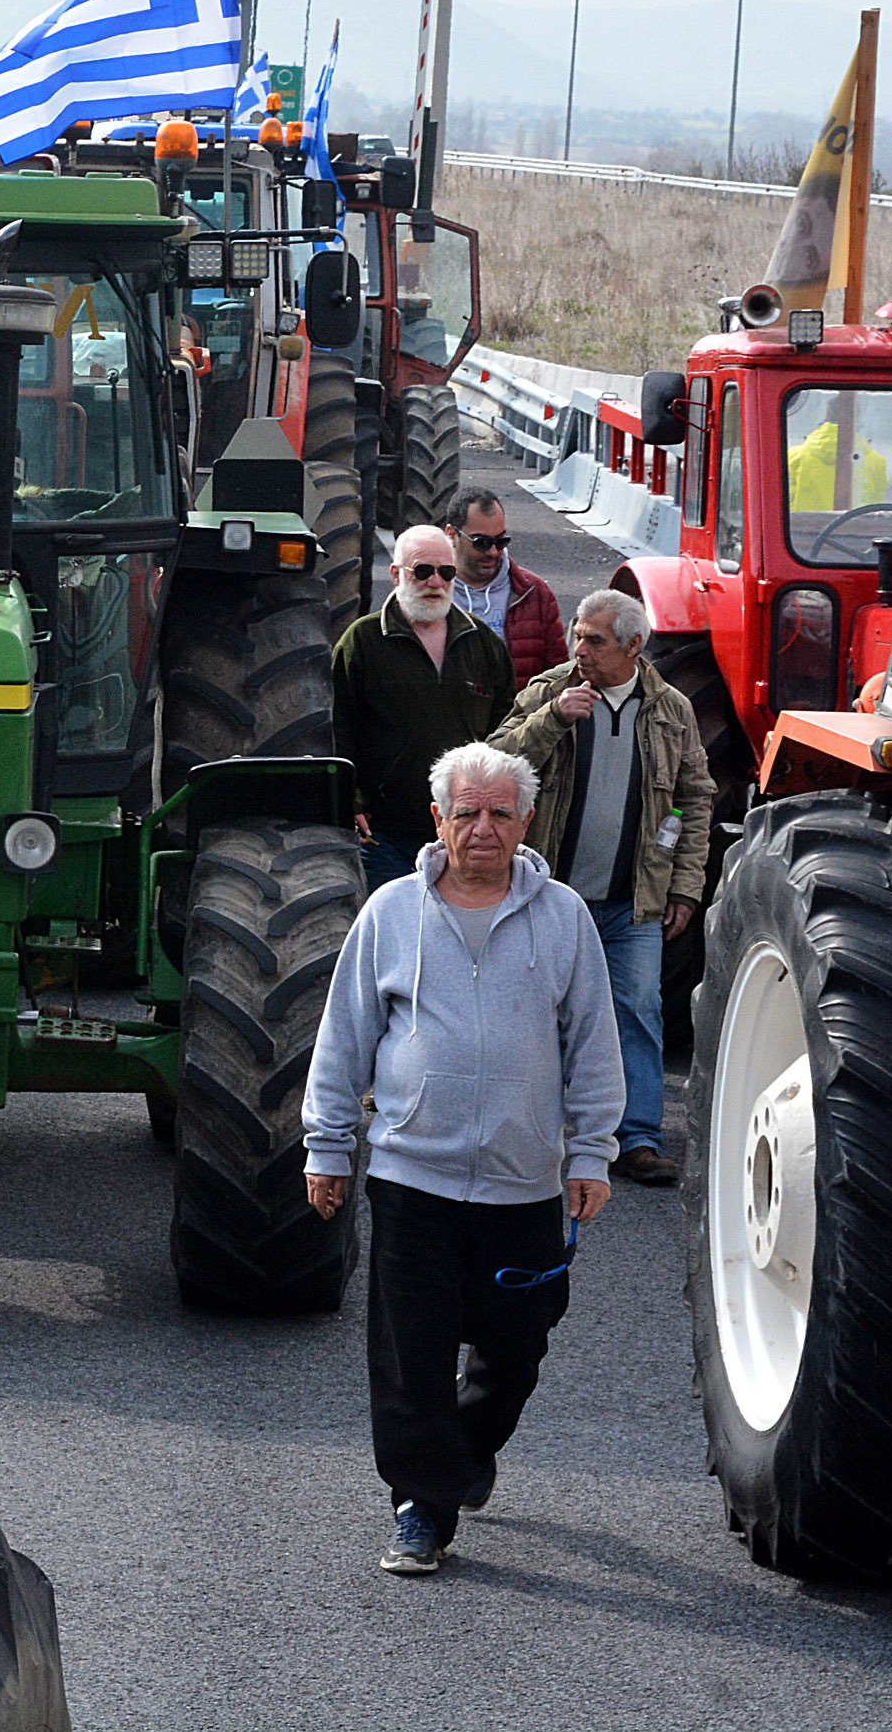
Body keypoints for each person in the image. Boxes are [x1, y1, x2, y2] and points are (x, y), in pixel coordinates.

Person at [304, 740, 620, 1577]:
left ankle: (465, 1448)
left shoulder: (563, 919)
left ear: (523, 822)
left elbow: (591, 1044)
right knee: (412, 1348)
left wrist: (591, 1151)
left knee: (518, 1342)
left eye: (499, 813)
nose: (481, 830)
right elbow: (343, 1040)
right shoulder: (389, 914)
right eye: (465, 813)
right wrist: (327, 1146)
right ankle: (421, 1505)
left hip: (525, 1182)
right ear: (437, 820)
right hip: (413, 1173)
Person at [488, 587, 716, 1185]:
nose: (579, 649)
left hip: (632, 903)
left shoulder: (672, 710)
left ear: (634, 646)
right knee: (529, 1011)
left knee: (637, 1012)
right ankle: (518, 1129)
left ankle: (636, 1138)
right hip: (548, 896)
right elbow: (491, 764)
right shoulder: (549, 691)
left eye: (594, 640)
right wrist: (552, 721)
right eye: (576, 636)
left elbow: (693, 800)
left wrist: (684, 885)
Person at [331, 526, 517, 894]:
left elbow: (506, 733)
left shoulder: (483, 645)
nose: (435, 581)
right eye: (422, 571)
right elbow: (337, 730)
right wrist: (348, 802)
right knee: (396, 939)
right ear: (396, 574)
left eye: (445, 572)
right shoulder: (362, 642)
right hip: (384, 835)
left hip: (462, 835)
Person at [446, 488, 566, 683]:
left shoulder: (536, 593)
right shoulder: (429, 592)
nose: (493, 552)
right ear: (452, 534)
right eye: (481, 543)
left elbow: (559, 677)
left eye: (501, 541)